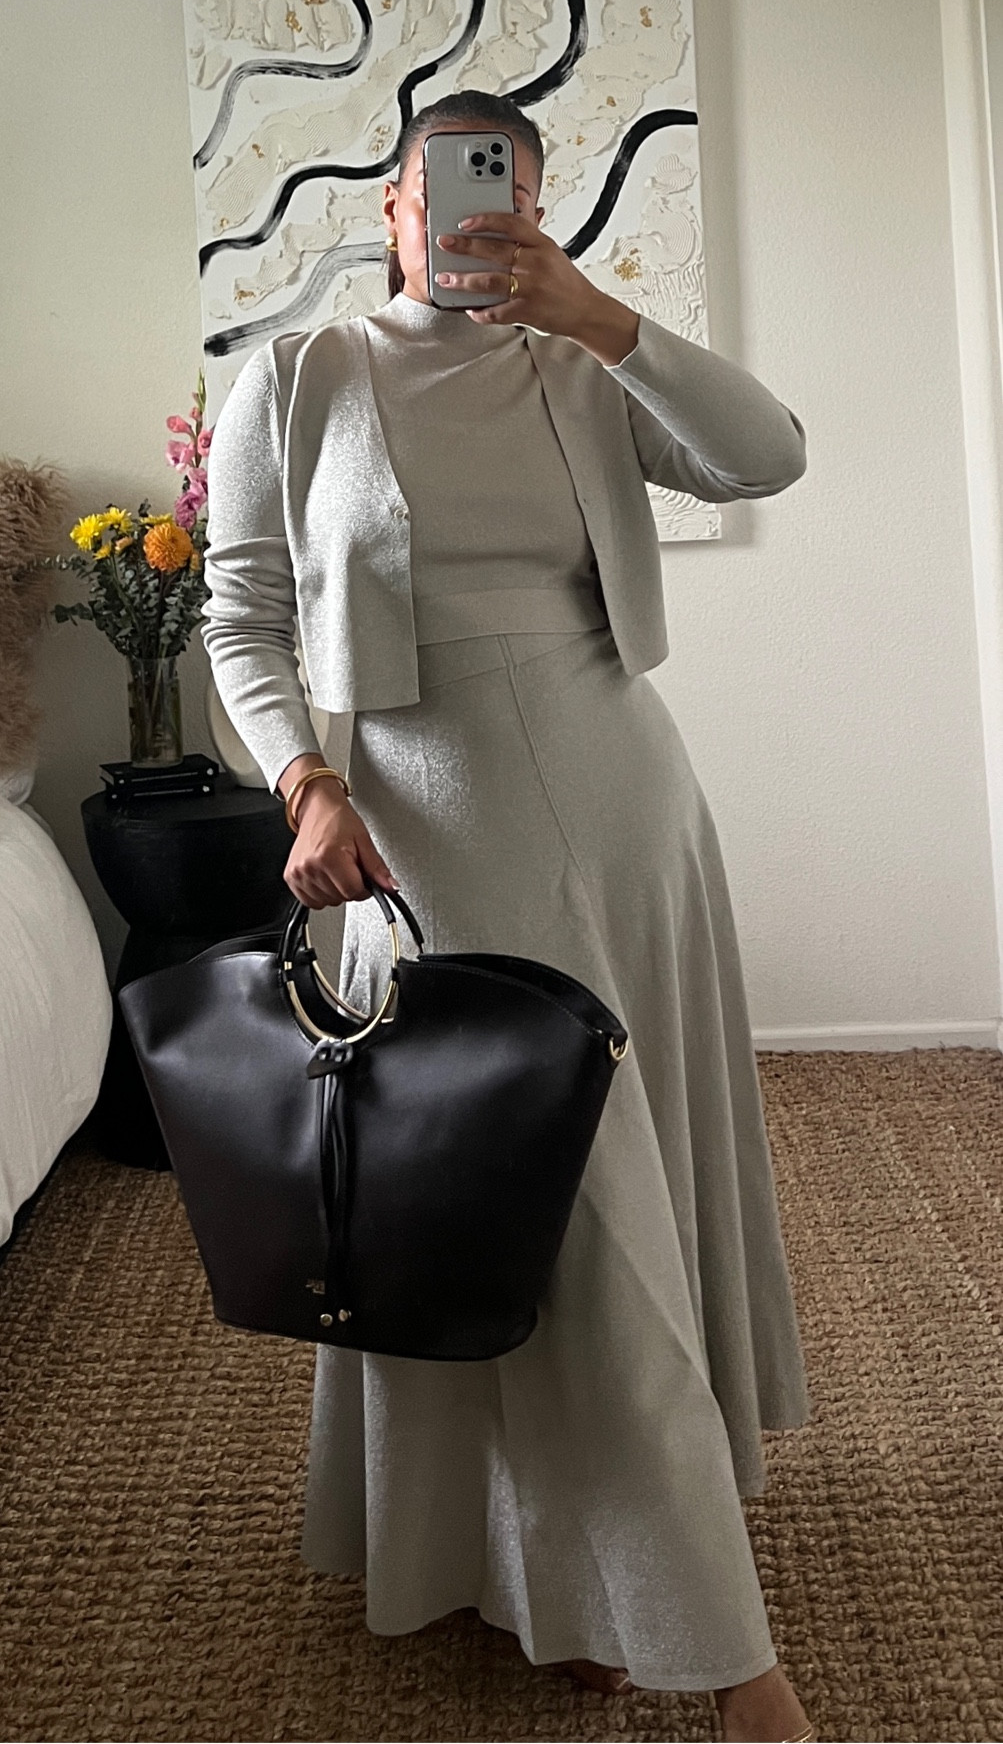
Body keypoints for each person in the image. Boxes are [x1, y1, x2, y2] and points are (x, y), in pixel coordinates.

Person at [199, 90, 816, 1744]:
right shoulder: (297, 379)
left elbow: (766, 455)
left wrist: (602, 317)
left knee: (620, 1178)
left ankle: (605, 1571)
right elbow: (242, 614)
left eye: (514, 197)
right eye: (449, 192)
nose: (478, 219)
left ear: (540, 216)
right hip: (427, 829)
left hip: (623, 799)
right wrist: (306, 784)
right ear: (392, 209)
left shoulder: (586, 363)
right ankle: (722, 1653)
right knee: (542, 1203)